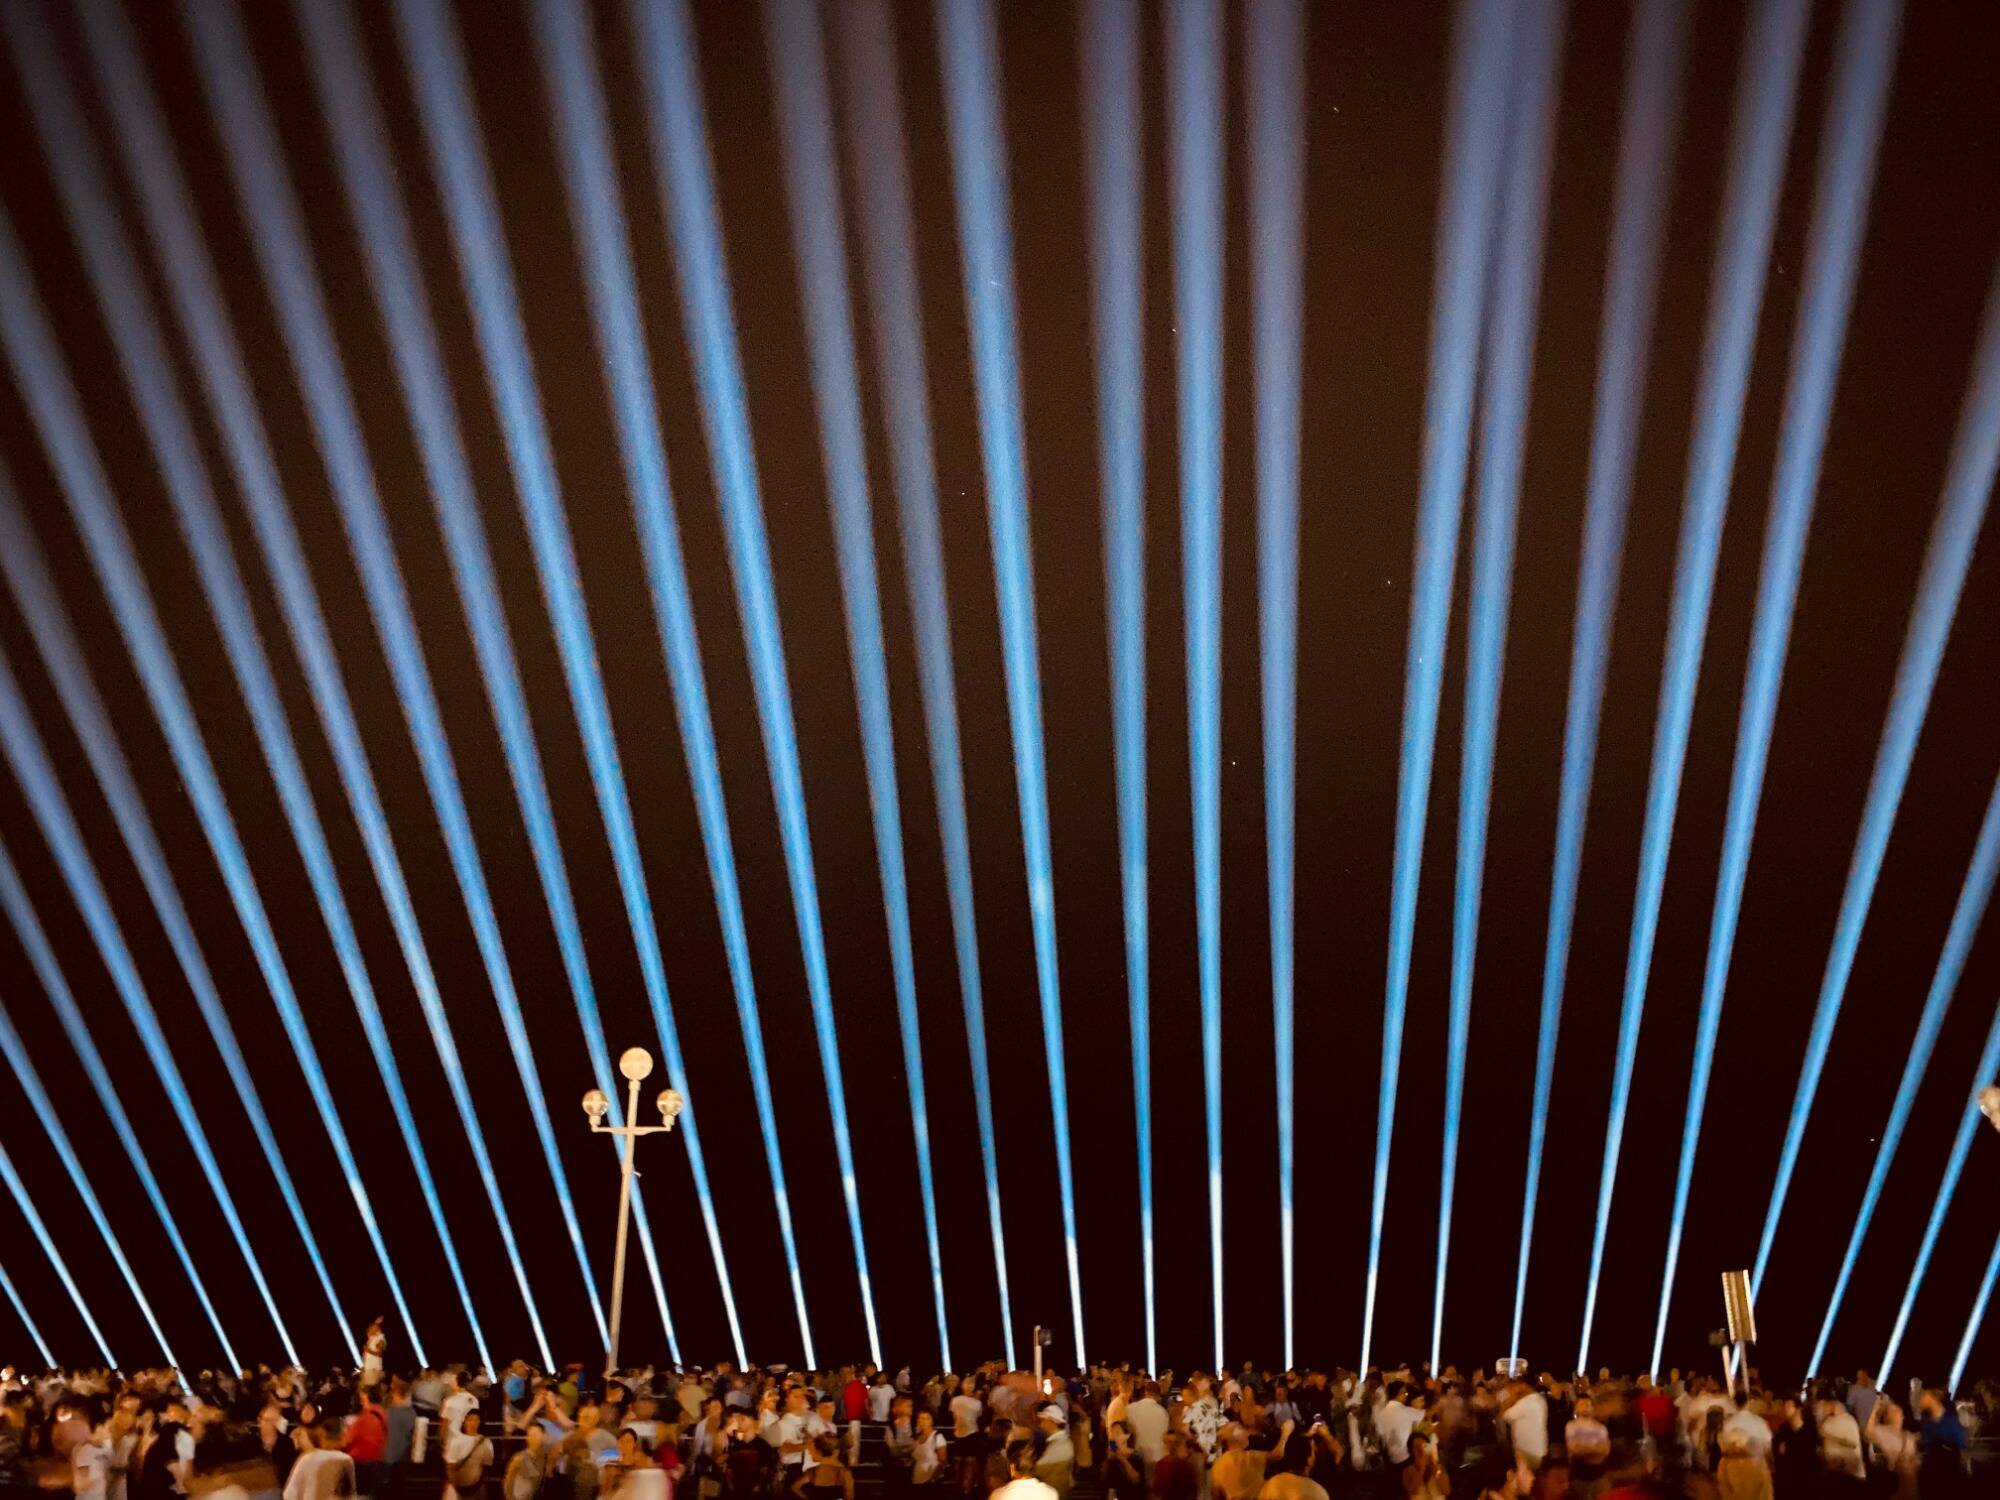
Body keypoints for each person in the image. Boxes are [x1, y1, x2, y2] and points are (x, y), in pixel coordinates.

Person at [283, 1423, 355, 1500]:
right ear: (343, 1436)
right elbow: (349, 1496)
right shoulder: (346, 1460)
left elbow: (289, 1495)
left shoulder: (306, 1459)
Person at [440, 1412, 493, 1500]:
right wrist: (456, 1487)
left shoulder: (486, 1442)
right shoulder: (454, 1441)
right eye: (470, 1420)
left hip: (475, 1488)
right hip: (456, 1489)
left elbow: (486, 1466)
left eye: (476, 1420)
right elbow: (449, 1467)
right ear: (464, 1421)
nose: (473, 1423)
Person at [788, 1435, 850, 1500]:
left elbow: (794, 1487)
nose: (810, 1453)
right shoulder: (842, 1471)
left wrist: (807, 1498)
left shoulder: (813, 1471)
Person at [1033, 1406, 1073, 1497]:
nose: (1040, 1424)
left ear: (1052, 1422)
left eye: (1043, 1420)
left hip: (1054, 1493)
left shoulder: (1059, 1445)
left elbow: (1039, 1470)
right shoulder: (1060, 1441)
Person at [506, 1421, 550, 1500]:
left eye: (536, 1434)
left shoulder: (545, 1458)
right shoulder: (520, 1457)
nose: (533, 1437)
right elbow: (509, 1481)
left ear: (544, 1436)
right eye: (530, 1435)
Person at [1400, 1432, 1448, 1500]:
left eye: (1424, 1446)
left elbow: (1446, 1490)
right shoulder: (1408, 1470)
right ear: (1411, 1451)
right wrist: (1421, 1469)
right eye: (1417, 1447)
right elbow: (1411, 1488)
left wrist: (1435, 1466)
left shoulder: (1438, 1468)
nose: (1421, 1449)